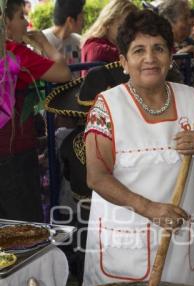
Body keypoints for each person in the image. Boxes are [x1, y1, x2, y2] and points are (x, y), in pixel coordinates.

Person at [83, 9, 194, 286]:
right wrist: (148, 208)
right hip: (125, 248)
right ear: (124, 61)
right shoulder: (108, 106)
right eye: (138, 50)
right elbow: (97, 177)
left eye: (158, 48)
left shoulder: (189, 97)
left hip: (181, 244)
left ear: (170, 56)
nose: (150, 58)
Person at [0, 0, 71, 222]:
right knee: (24, 226)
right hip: (13, 155)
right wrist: (44, 43)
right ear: (5, 22)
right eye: (21, 16)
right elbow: (63, 73)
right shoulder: (14, 54)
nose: (27, 22)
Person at [81, 0, 137, 76]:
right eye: (123, 25)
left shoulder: (119, 45)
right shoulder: (95, 47)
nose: (129, 30)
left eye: (132, 26)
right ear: (109, 22)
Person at [42, 0, 85, 66]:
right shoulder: (41, 42)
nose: (84, 21)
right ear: (70, 21)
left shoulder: (79, 42)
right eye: (81, 17)